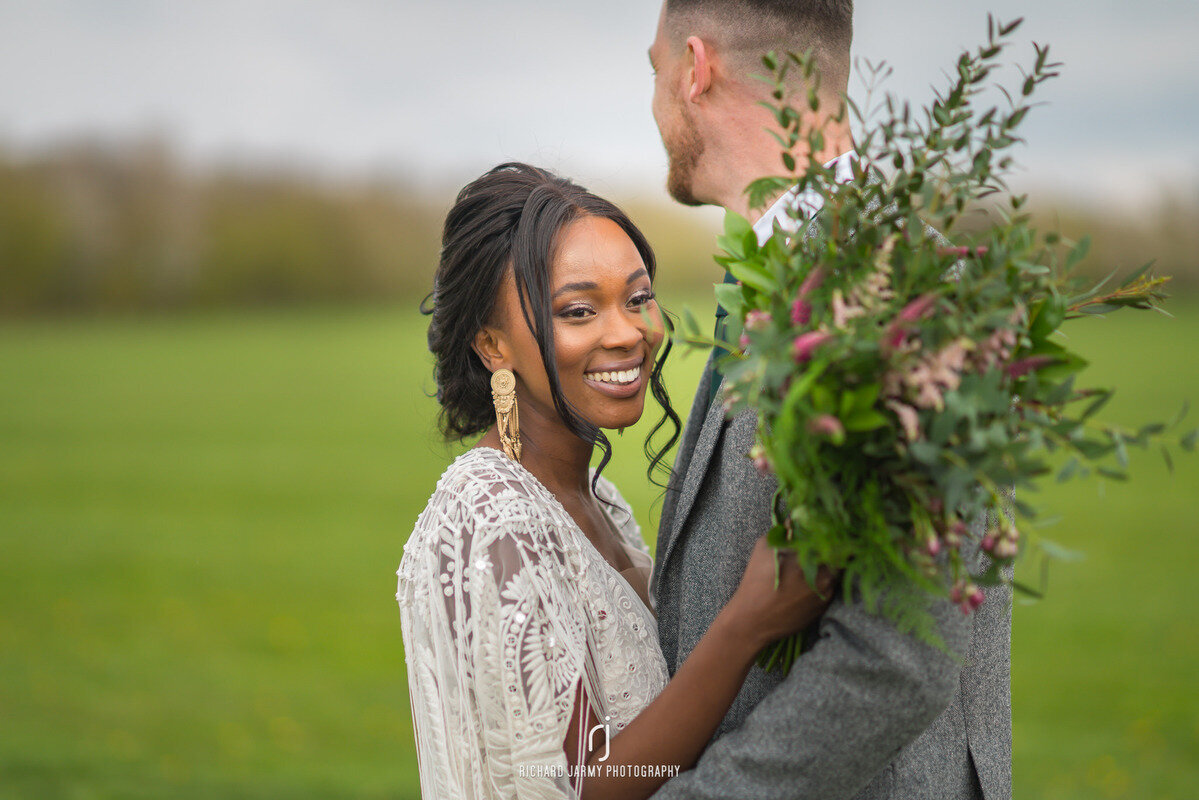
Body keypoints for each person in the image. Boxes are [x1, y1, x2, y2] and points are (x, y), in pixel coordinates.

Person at [646, 1, 1012, 799]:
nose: (653, 103)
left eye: (655, 70)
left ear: (695, 69)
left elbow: (896, 662)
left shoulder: (903, 300)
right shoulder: (785, 275)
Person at [397, 162, 834, 800]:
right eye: (579, 310)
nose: (628, 332)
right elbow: (583, 787)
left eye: (637, 298)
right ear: (492, 346)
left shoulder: (595, 499)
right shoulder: (491, 518)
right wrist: (748, 626)